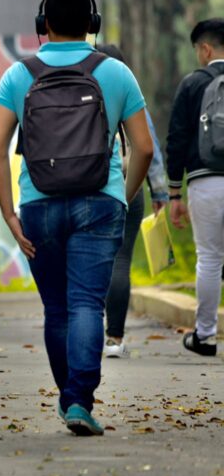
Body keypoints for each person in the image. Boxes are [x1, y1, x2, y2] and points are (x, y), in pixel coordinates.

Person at [0, 0, 152, 436]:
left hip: (38, 205)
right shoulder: (116, 72)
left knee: (56, 309)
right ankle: (79, 399)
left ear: (43, 26)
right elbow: (143, 146)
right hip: (100, 201)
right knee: (86, 305)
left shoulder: (19, 75)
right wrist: (122, 194)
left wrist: (9, 213)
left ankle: (70, 397)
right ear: (92, 24)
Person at [95, 45, 169, 358]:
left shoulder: (81, 93)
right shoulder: (128, 92)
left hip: (86, 187)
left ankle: (86, 329)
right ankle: (114, 338)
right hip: (128, 185)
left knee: (89, 262)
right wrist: (161, 193)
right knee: (120, 261)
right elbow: (147, 147)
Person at [165, 18, 224, 357]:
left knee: (210, 258)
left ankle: (205, 336)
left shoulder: (193, 84)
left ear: (205, 49)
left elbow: (176, 139)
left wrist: (174, 193)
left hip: (205, 180)